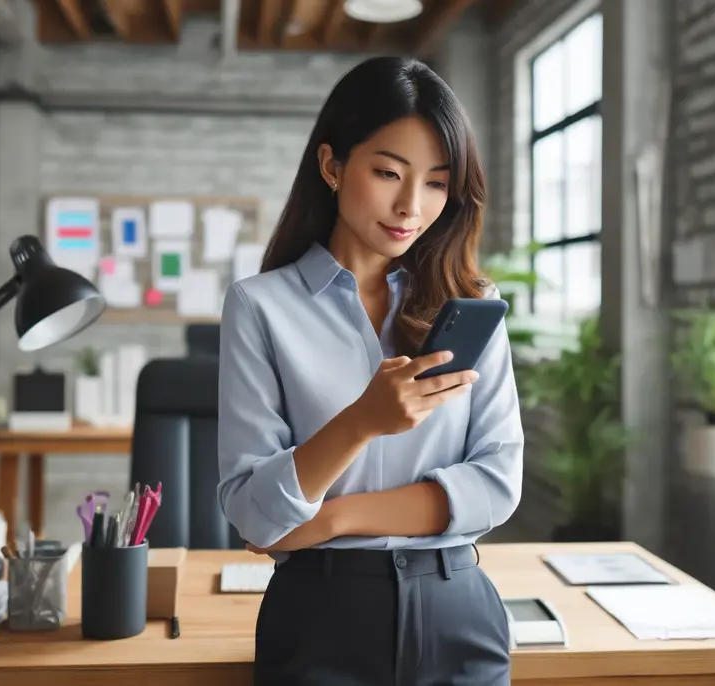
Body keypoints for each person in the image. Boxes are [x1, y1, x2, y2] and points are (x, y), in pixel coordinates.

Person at [216, 55, 524, 686]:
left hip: (455, 609)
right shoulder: (260, 307)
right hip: (320, 618)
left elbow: (496, 483)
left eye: (437, 183)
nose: (412, 205)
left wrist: (332, 520)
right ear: (332, 165)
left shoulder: (472, 305)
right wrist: (361, 423)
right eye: (388, 172)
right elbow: (253, 514)